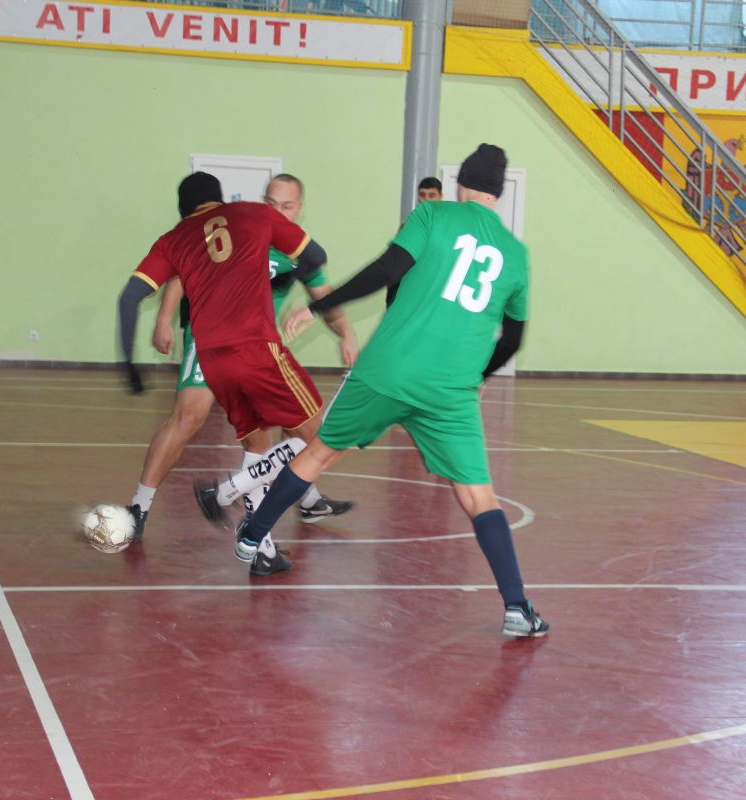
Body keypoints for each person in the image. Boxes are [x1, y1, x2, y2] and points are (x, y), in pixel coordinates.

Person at [223, 143, 548, 637]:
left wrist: (318, 306)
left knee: (321, 452)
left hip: (389, 369)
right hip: (450, 388)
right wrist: (479, 378)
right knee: (479, 495)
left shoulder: (433, 214)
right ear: (498, 195)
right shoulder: (517, 255)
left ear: (460, 183)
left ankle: (253, 533)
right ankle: (517, 607)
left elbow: (385, 271)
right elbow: (513, 338)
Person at [118, 172, 331, 576]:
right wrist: (287, 269)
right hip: (255, 347)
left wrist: (128, 361)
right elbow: (315, 255)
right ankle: (225, 490)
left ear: (184, 209)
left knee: (256, 441)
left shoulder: (174, 239)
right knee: (326, 437)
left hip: (212, 354)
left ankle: (261, 547)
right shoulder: (252, 215)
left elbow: (129, 297)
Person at [387, 177, 446, 306]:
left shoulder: (447, 225)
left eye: (432, 195)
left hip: (434, 288)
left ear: (440, 196)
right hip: (410, 287)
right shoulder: (409, 224)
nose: (427, 199)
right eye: (423, 195)